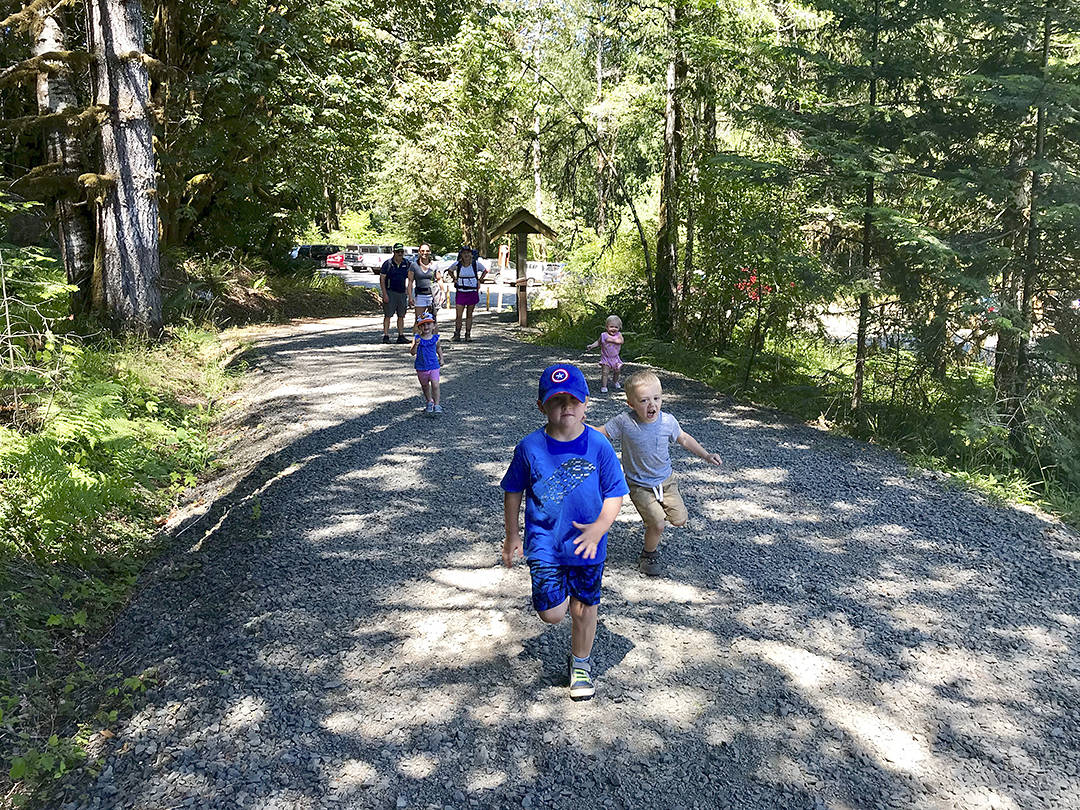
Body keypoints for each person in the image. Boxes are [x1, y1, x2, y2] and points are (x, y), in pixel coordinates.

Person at [501, 364, 628, 701]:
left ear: (586, 402)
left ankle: (581, 665)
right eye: (557, 400)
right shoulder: (529, 448)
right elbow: (513, 490)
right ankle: (564, 599)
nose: (566, 406)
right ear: (542, 406)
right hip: (545, 544)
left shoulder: (599, 445)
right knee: (551, 613)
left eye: (573, 399)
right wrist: (512, 534)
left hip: (589, 546)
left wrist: (600, 527)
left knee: (584, 609)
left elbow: (615, 492)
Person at [595, 370, 721, 577]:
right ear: (631, 404)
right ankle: (648, 554)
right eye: (644, 400)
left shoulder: (667, 421)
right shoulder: (625, 422)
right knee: (658, 523)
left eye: (656, 398)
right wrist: (575, 428)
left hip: (667, 482)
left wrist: (706, 455)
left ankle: (656, 524)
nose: (652, 405)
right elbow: (602, 433)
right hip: (639, 485)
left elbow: (684, 439)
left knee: (679, 520)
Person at [448, 245, 487, 342]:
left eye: (468, 253)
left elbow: (485, 271)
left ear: (471, 255)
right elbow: (449, 270)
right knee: (459, 315)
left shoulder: (476, 264)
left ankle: (468, 334)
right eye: (464, 253)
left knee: (469, 314)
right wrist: (454, 279)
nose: (466, 255)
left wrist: (480, 280)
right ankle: (457, 334)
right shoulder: (458, 264)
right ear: (461, 254)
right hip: (461, 292)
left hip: (472, 292)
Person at [410, 311, 444, 415]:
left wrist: (441, 358)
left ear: (433, 325)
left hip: (433, 365)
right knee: (425, 386)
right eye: (423, 325)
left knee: (435, 384)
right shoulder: (417, 338)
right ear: (419, 327)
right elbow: (412, 352)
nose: (426, 327)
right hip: (421, 367)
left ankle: (437, 404)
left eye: (428, 324)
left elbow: (438, 348)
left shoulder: (435, 339)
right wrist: (415, 345)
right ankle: (429, 401)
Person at [380, 243, 412, 344]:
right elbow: (382, 279)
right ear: (393, 252)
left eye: (401, 252)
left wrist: (409, 290)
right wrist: (384, 294)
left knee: (401, 315)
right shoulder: (388, 264)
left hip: (402, 292)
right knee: (388, 315)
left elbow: (411, 277)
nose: (400, 254)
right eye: (398, 252)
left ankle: (401, 335)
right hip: (390, 292)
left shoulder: (406, 263)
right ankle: (386, 335)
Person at [584, 315, 625, 393]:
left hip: (615, 358)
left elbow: (621, 341)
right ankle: (604, 386)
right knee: (605, 372)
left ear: (619, 328)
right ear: (606, 327)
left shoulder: (619, 335)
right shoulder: (603, 335)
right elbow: (598, 342)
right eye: (611, 326)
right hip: (606, 358)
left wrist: (611, 340)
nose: (613, 329)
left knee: (617, 371)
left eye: (616, 327)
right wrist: (592, 346)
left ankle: (615, 381)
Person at [408, 244, 442, 326]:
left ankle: (434, 338)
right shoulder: (414, 265)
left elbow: (439, 279)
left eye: (427, 251)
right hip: (420, 295)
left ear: (430, 252)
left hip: (432, 295)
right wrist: (410, 296)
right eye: (422, 251)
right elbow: (410, 282)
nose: (425, 253)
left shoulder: (434, 265)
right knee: (419, 320)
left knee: (433, 320)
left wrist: (442, 293)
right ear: (419, 252)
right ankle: (417, 338)